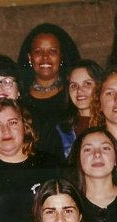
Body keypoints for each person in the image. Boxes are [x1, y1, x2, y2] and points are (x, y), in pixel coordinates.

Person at [16, 24, 81, 158]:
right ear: (30, 58)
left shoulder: (75, 93)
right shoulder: (19, 97)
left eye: (52, 51)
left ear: (61, 56)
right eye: (38, 52)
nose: (45, 57)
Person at [56, 60, 103, 158]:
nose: (79, 90)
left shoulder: (111, 123)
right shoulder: (62, 130)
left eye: (87, 84)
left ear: (100, 86)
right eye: (74, 86)